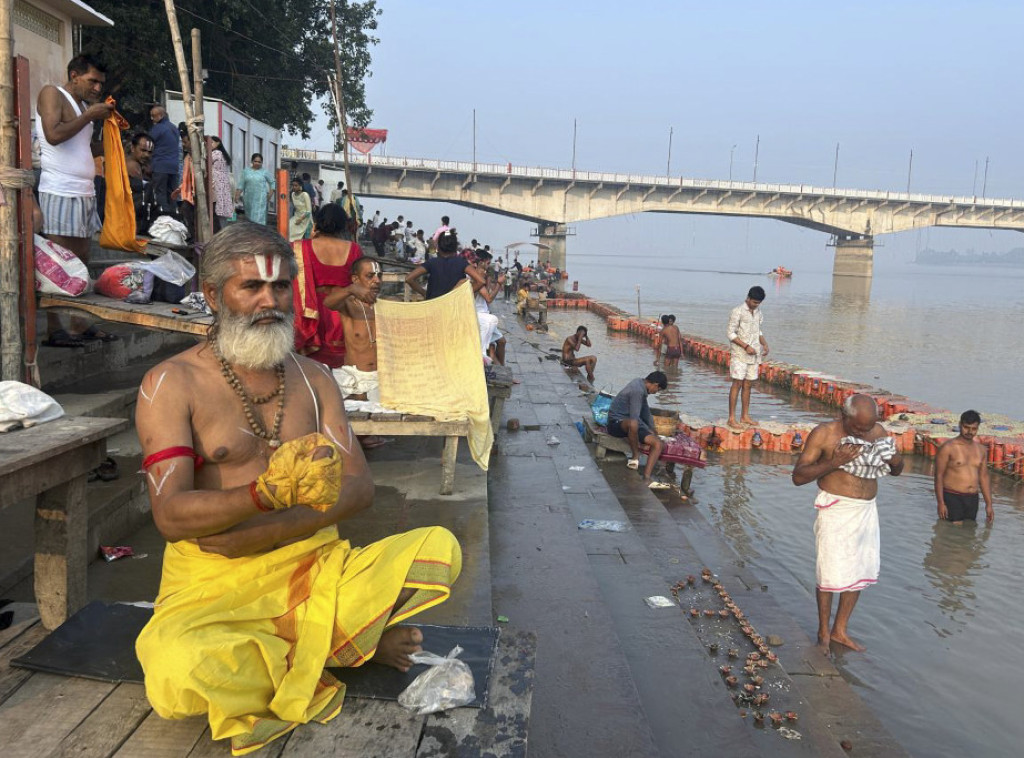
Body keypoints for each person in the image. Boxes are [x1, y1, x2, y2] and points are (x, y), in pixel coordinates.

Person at [133, 222, 461, 755]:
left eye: (281, 287)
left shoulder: (315, 378)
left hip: (312, 565)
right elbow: (170, 515)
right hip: (215, 585)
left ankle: (316, 642)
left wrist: (269, 526)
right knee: (176, 671)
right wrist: (261, 496)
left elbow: (359, 489)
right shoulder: (171, 384)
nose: (269, 301)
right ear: (214, 295)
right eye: (251, 288)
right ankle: (340, 645)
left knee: (438, 549)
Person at [792, 394, 904, 653]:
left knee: (858, 571)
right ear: (844, 416)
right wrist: (834, 462)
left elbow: (896, 470)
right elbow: (798, 477)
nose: (865, 434)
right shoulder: (824, 434)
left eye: (868, 428)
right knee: (830, 571)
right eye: (858, 429)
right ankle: (823, 633)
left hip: (866, 510)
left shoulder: (878, 432)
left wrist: (896, 460)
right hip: (836, 509)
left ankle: (840, 630)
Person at [36, 53, 115, 347]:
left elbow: (83, 143)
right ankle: (54, 330)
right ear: (74, 75)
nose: (97, 88)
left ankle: (81, 325)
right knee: (57, 264)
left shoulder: (84, 107)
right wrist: (89, 116)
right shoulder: (51, 94)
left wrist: (109, 132)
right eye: (92, 81)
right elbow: (53, 134)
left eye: (100, 83)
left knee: (81, 262)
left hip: (84, 192)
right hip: (59, 189)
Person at [293, 203, 369, 369]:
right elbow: (363, 286)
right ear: (343, 225)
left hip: (309, 314)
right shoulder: (354, 249)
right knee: (342, 371)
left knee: (309, 371)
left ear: (317, 223)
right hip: (341, 314)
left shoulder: (300, 247)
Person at [329, 257, 382, 403]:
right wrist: (350, 289)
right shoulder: (348, 306)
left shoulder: (388, 306)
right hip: (354, 380)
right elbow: (328, 303)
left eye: (379, 275)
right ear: (356, 279)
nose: (377, 280)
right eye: (370, 276)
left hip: (382, 380)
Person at [607, 371, 668, 486]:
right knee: (634, 425)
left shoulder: (641, 386)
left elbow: (645, 411)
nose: (656, 392)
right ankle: (635, 457)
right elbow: (635, 418)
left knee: (658, 444)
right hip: (616, 423)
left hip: (629, 423)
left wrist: (653, 430)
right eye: (658, 389)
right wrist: (646, 429)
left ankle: (646, 477)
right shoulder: (637, 390)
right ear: (655, 384)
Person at [935, 410, 993, 524]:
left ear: (977, 428)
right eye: (966, 427)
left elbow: (984, 478)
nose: (970, 432)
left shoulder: (981, 450)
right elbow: (938, 476)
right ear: (960, 425)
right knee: (955, 534)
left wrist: (989, 504)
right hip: (952, 496)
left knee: (970, 532)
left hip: (972, 498)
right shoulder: (948, 448)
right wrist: (941, 503)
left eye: (974, 429)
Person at [727, 286, 769, 429]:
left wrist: (765, 344)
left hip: (754, 355)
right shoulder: (737, 311)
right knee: (737, 383)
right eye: (754, 302)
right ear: (748, 298)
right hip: (739, 354)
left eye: (758, 303)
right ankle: (731, 418)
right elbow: (731, 334)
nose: (755, 305)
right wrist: (745, 346)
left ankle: (745, 416)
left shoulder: (758, 313)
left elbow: (758, 331)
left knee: (748, 385)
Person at [405, 229, 485, 300]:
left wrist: (424, 293)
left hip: (433, 305)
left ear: (438, 247)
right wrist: (463, 294)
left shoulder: (432, 262)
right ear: (455, 247)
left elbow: (409, 278)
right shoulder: (461, 263)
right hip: (452, 307)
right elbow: (481, 281)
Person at [471, 250, 505, 364]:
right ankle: (500, 369)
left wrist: (491, 282)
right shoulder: (477, 277)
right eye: (487, 262)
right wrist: (499, 284)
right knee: (492, 346)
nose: (488, 265)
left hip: (484, 313)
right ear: (481, 262)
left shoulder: (483, 276)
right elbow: (489, 298)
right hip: (480, 316)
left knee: (501, 342)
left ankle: (502, 369)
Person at [148, 104, 179, 214]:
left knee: (160, 193)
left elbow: (148, 144)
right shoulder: (174, 128)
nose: (151, 118)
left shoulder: (158, 128)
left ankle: (164, 217)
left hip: (160, 165)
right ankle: (174, 216)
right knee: (172, 194)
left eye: (153, 116)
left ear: (161, 115)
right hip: (174, 167)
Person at [125, 132, 155, 235]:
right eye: (143, 150)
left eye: (149, 152)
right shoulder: (133, 166)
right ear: (133, 148)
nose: (146, 155)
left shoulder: (138, 165)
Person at [237, 152, 273, 225]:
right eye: (255, 161)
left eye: (259, 162)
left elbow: (272, 182)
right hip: (248, 199)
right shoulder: (246, 171)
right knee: (249, 218)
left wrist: (270, 194)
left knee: (259, 219)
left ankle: (260, 234)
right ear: (252, 161)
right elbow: (241, 184)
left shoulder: (265, 172)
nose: (257, 163)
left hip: (260, 200)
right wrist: (237, 195)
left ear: (262, 163)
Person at [209, 136, 233, 231]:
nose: (209, 145)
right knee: (223, 211)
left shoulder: (216, 153)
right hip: (224, 185)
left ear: (218, 143)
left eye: (211, 142)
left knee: (217, 209)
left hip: (217, 184)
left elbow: (206, 161)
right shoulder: (224, 154)